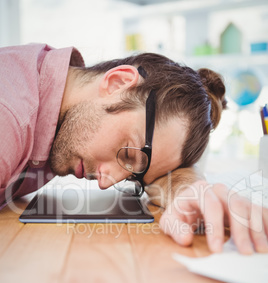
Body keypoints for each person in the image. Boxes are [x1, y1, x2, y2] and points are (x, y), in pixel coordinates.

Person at [0, 43, 267, 254]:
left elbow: (163, 177)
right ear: (118, 83)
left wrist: (193, 190)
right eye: (127, 154)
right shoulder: (9, 116)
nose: (105, 182)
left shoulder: (54, 105)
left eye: (132, 177)